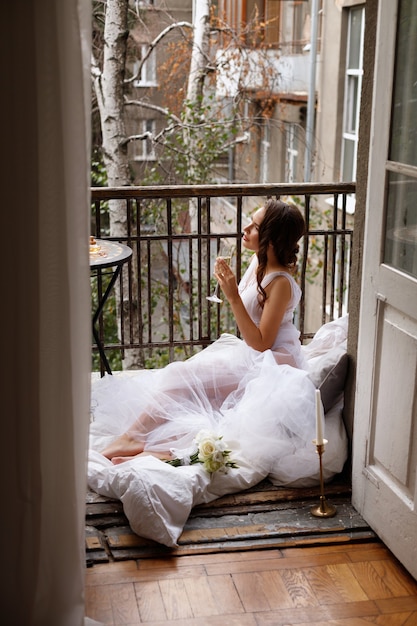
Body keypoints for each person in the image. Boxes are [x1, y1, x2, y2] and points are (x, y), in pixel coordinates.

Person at [94, 198, 310, 468]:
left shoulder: (280, 283)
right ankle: (148, 444)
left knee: (182, 378)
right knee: (194, 390)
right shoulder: (260, 262)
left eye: (254, 227)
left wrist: (232, 296)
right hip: (253, 354)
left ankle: (137, 441)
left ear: (272, 239)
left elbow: (262, 343)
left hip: (272, 362)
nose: (245, 229)